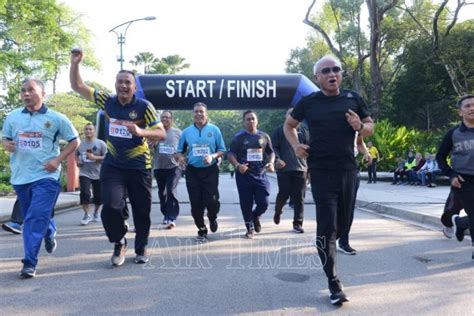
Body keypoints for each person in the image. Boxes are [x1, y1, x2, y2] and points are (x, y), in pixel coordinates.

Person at [284, 55, 374, 305]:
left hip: (347, 170)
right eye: (326, 71)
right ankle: (334, 282)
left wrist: (360, 126)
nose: (332, 74)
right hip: (321, 172)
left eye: (336, 69)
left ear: (341, 74)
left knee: (343, 225)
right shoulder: (309, 102)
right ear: (318, 77)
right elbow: (289, 126)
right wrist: (295, 146)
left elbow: (369, 127)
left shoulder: (353, 98)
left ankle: (340, 243)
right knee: (327, 228)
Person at [70, 49, 165, 266]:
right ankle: (119, 240)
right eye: (120, 82)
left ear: (134, 87)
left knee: (142, 210)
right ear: (115, 84)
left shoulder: (144, 107)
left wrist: (141, 132)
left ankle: (141, 247)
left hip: (139, 166)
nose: (123, 86)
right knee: (111, 207)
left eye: (127, 83)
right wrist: (75, 63)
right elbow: (78, 86)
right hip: (113, 165)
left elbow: (161, 133)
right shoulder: (107, 102)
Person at [2, 78, 79, 278]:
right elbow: (5, 138)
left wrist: (57, 160)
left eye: (31, 90)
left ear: (43, 94)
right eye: (23, 91)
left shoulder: (57, 118)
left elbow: (74, 141)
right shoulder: (13, 117)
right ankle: (50, 230)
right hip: (21, 177)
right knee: (36, 217)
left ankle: (29, 262)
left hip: (47, 176)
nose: (26, 94)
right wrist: (6, 144)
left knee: (34, 218)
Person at [176, 102, 226, 242]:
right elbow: (179, 151)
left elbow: (222, 150)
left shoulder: (214, 130)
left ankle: (212, 217)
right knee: (196, 203)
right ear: (193, 114)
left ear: (206, 113)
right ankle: (201, 229)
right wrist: (180, 158)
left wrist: (212, 156)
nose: (198, 114)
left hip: (210, 170)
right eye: (196, 111)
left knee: (212, 201)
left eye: (201, 111)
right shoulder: (186, 132)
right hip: (192, 171)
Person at [436, 94, 474, 260]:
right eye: (467, 106)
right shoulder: (453, 134)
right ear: (460, 112)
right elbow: (440, 157)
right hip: (464, 180)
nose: (472, 108)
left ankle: (461, 223)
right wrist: (451, 174)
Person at [228, 110, 275, 239]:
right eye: (248, 119)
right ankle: (249, 228)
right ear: (243, 122)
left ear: (257, 121)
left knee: (264, 202)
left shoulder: (264, 136)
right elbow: (231, 154)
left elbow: (271, 152)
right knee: (246, 203)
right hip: (244, 175)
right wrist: (238, 165)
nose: (251, 121)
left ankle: (255, 216)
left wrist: (270, 163)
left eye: (253, 119)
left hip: (260, 173)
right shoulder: (238, 137)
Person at [272, 108, 308, 233]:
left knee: (299, 197)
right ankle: (278, 210)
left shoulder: (303, 131)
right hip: (284, 169)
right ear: (286, 116)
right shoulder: (279, 130)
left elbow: (309, 147)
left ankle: (297, 223)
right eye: (290, 114)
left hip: (301, 168)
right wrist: (277, 159)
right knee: (284, 193)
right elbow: (274, 148)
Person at [337, 134, 372, 255]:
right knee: (332, 206)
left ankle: (343, 241)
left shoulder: (355, 121)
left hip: (351, 166)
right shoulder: (328, 118)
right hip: (331, 167)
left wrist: (366, 152)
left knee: (348, 207)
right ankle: (330, 236)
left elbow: (359, 142)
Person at [152, 111, 182, 229]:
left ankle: (171, 217)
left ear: (172, 119)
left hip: (174, 167)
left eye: (167, 117)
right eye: (163, 117)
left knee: (171, 190)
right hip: (159, 167)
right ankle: (166, 214)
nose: (165, 119)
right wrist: (152, 143)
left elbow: (185, 147)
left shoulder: (178, 133)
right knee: (161, 193)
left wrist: (181, 156)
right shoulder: (155, 132)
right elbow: (148, 146)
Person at [76, 123, 107, 225]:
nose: (88, 131)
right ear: (84, 131)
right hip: (84, 172)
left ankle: (96, 212)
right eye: (86, 129)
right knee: (85, 193)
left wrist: (95, 158)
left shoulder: (101, 143)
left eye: (90, 129)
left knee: (98, 196)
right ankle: (86, 215)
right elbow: (76, 155)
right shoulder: (80, 145)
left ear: (94, 131)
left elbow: (107, 157)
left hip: (98, 173)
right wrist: (78, 162)